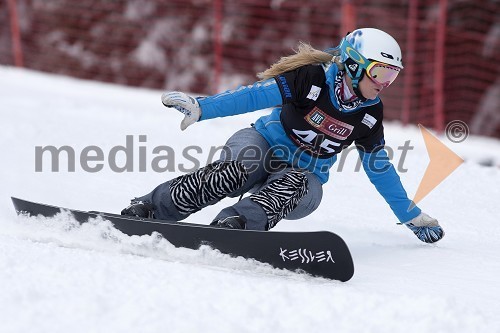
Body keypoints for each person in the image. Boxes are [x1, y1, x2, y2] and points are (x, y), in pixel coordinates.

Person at [121, 28, 444, 243]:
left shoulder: (369, 113)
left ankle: (236, 226)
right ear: (354, 65)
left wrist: (411, 216)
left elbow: (380, 168)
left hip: (303, 175)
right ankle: (154, 207)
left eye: (393, 75)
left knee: (298, 185)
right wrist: (203, 109)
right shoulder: (312, 78)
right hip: (262, 146)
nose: (385, 83)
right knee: (239, 169)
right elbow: (253, 96)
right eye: (380, 72)